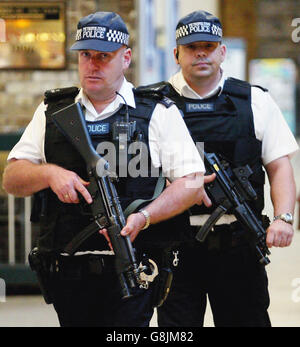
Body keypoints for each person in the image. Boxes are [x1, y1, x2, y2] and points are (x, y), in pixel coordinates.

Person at [2, 12, 211, 327]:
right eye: (86, 55)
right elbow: (12, 179)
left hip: (135, 267)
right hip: (67, 272)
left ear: (126, 58)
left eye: (104, 56)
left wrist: (145, 216)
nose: (92, 64)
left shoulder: (157, 112)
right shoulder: (52, 112)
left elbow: (192, 182)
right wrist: (50, 174)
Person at [146, 10, 298, 327]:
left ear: (222, 52)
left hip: (238, 243)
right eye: (191, 47)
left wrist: (284, 217)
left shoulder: (254, 101)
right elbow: (136, 173)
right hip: (175, 245)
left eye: (209, 45)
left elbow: (279, 165)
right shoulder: (153, 105)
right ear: (176, 54)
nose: (201, 53)